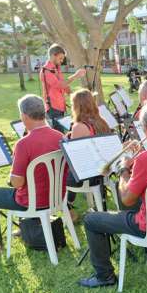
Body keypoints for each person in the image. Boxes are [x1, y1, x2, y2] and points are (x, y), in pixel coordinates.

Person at [78, 103, 147, 287]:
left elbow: (126, 199)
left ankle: (103, 276)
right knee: (143, 195)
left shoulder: (145, 159)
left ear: (146, 129)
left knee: (91, 219)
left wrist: (124, 169)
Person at [0, 95, 64, 255]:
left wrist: (10, 178)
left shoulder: (24, 144)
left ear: (23, 116)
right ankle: (25, 227)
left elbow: (16, 183)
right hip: (56, 198)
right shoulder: (60, 136)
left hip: (31, 202)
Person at [66, 89, 111, 221]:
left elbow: (76, 157)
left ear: (77, 107)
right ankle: (71, 205)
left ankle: (68, 208)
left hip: (89, 174)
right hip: (103, 171)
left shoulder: (79, 126)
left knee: (57, 174)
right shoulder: (101, 121)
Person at [40, 44, 86, 132]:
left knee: (64, 132)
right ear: (54, 56)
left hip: (60, 106)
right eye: (60, 58)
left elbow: (65, 86)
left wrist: (75, 97)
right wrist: (75, 76)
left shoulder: (57, 68)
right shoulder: (46, 71)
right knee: (59, 134)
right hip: (53, 108)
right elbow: (60, 85)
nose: (61, 61)